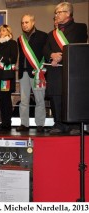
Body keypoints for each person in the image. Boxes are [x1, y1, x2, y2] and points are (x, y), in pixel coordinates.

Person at [43, 2, 88, 134]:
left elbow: (77, 43)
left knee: (72, 96)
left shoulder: (80, 27)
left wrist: (61, 55)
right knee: (56, 97)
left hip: (72, 70)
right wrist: (51, 55)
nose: (56, 15)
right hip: (55, 70)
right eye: (55, 13)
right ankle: (59, 124)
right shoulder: (52, 33)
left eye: (58, 12)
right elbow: (45, 49)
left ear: (68, 13)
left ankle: (74, 125)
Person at [16, 15, 48, 133]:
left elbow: (46, 54)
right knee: (24, 100)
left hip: (37, 73)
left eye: (27, 22)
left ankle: (40, 124)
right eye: (22, 22)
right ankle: (24, 124)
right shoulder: (20, 39)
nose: (24, 24)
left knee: (39, 100)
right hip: (23, 73)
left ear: (33, 22)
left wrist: (42, 69)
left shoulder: (43, 36)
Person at [0, 24, 18, 131]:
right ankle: (4, 122)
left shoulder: (12, 43)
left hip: (6, 75)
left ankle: (7, 123)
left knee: (6, 100)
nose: (1, 32)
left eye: (3, 30)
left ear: (8, 32)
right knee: (1, 100)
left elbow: (13, 57)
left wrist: (1, 60)